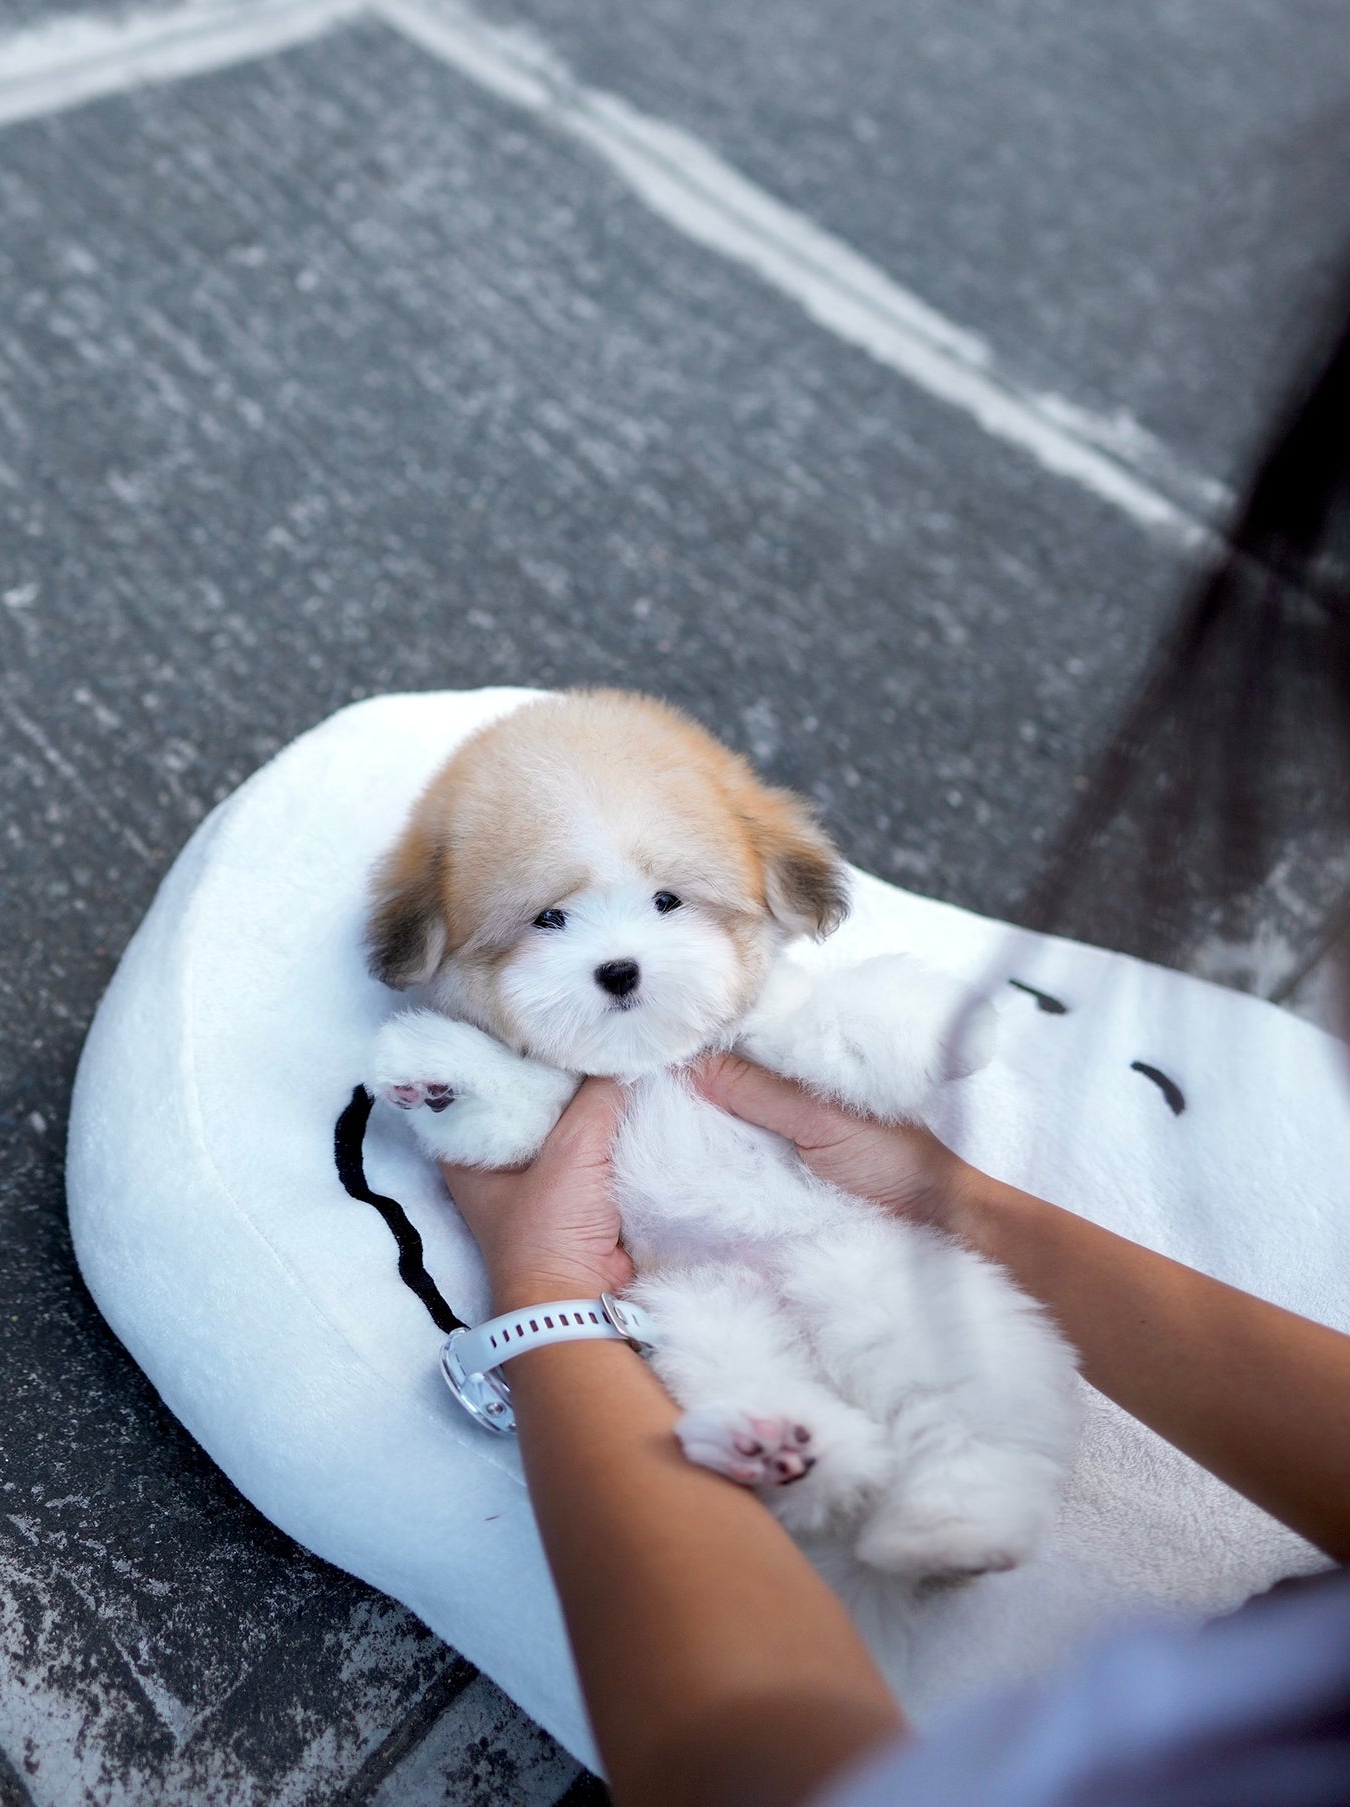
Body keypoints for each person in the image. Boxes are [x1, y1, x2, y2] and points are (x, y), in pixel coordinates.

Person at [443, 311, 1350, 1806]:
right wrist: (950, 1197)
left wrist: (541, 1310)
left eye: (667, 901)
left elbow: (752, 1771)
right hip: (737, 1270)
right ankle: (835, 1470)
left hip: (784, 1273)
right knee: (740, 1351)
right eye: (547, 920)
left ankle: (930, 1479)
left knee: (922, 1345)